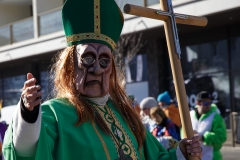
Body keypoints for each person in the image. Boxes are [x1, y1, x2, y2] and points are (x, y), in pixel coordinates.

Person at [3, 0, 202, 159]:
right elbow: (26, 153)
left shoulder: (126, 116)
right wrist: (28, 114)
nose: (97, 69)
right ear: (70, 66)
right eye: (88, 58)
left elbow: (156, 157)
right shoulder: (53, 114)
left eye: (104, 60)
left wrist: (180, 154)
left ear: (112, 70)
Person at [184, 91, 227, 160]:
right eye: (206, 103)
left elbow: (221, 136)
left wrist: (203, 137)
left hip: (211, 157)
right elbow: (183, 132)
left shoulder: (216, 117)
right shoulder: (190, 115)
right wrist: (189, 136)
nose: (208, 105)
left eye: (210, 103)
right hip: (193, 157)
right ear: (198, 103)